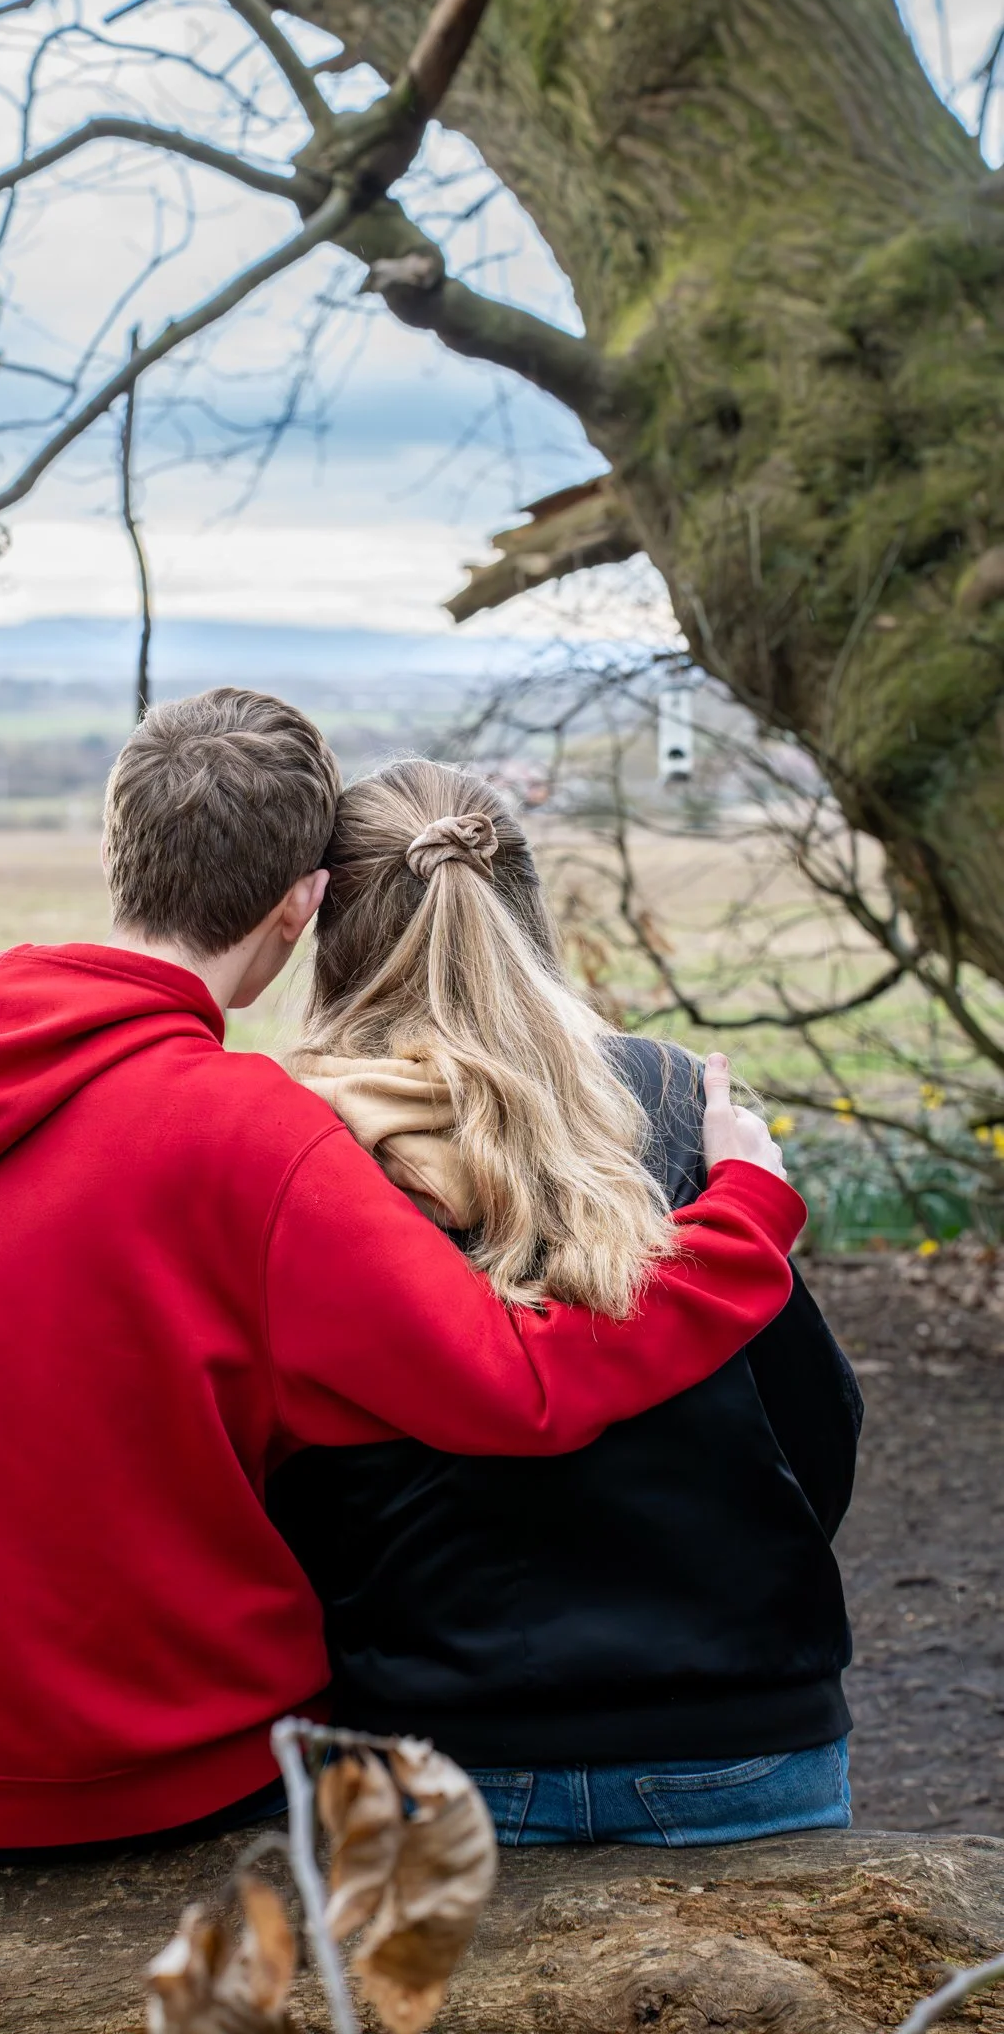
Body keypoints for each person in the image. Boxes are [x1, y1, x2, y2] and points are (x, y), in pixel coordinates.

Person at [0, 689, 803, 1855]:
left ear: (123, 848)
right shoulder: (246, 1130)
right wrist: (743, 1214)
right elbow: (518, 1389)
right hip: (173, 1764)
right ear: (301, 903)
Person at [270, 757, 861, 1848]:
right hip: (740, 1732)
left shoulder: (294, 1145)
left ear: (329, 927)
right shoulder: (681, 1101)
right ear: (527, 901)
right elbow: (817, 1425)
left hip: (423, 1743)